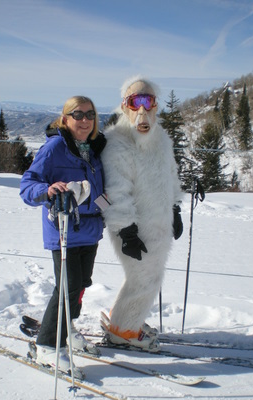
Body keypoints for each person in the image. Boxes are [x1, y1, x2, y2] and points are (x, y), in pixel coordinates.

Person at [20, 96, 106, 376]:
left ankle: (66, 330)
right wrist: (48, 190)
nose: (84, 120)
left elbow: (99, 191)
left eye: (89, 114)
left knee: (80, 284)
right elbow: (28, 185)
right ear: (65, 118)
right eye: (77, 114)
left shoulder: (94, 149)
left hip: (90, 230)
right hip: (64, 229)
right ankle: (47, 345)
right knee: (66, 288)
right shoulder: (56, 146)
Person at [100, 76, 183, 351]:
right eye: (136, 102)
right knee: (147, 280)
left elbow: (170, 175)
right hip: (135, 228)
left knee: (144, 278)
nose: (143, 111)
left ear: (157, 106)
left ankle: (123, 320)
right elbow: (116, 191)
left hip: (160, 223)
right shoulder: (117, 143)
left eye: (149, 102)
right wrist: (125, 230)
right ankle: (124, 331)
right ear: (124, 106)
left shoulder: (161, 139)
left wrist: (175, 207)